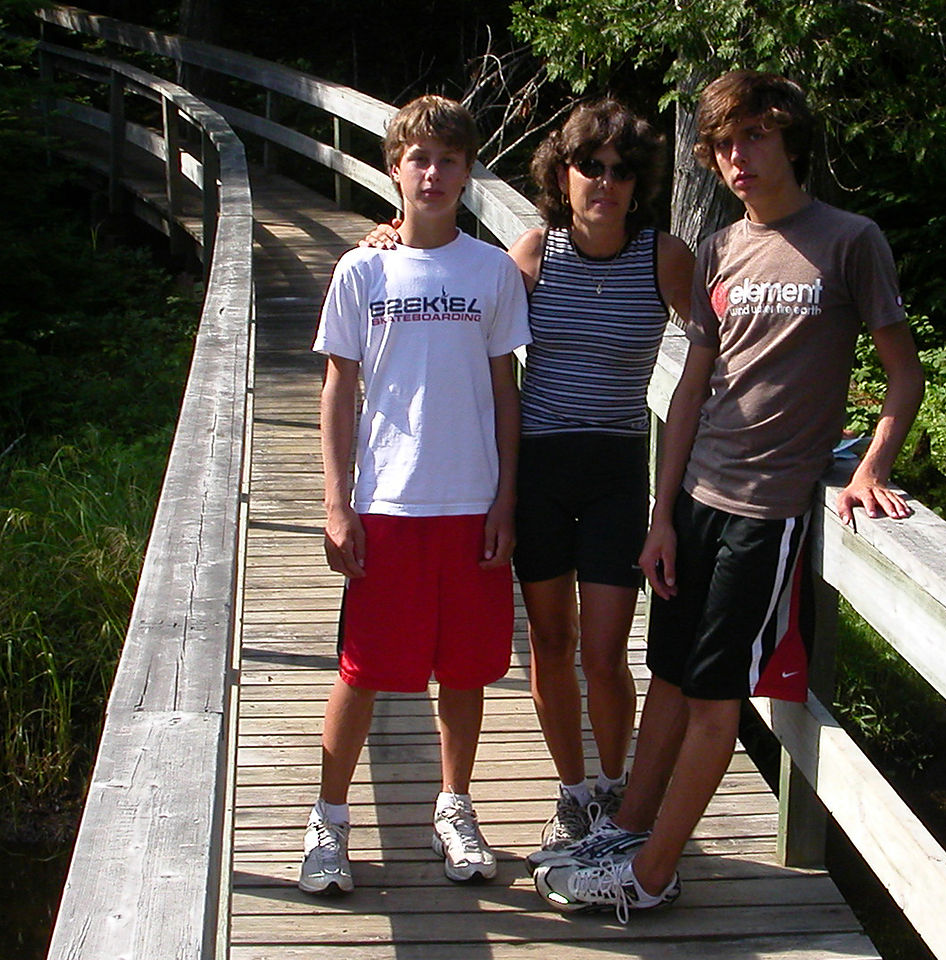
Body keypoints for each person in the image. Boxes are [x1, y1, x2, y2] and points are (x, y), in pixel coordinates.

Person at [532, 69, 925, 920]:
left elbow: (904, 373)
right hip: (698, 496)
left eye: (753, 137)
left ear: (789, 139)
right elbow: (691, 388)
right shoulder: (717, 250)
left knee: (716, 696)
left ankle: (651, 875)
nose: (736, 158)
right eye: (721, 145)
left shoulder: (851, 240)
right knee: (668, 674)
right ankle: (629, 831)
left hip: (769, 508)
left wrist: (872, 467)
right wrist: (661, 514)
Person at [364, 100, 694, 858]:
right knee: (551, 639)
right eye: (591, 168)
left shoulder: (663, 257)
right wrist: (387, 235)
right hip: (539, 469)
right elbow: (454, 284)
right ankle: (573, 792)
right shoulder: (535, 255)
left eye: (621, 171)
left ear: (638, 183)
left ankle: (615, 787)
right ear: (563, 175)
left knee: (606, 651)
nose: (605, 183)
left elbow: (715, 349)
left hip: (615, 470)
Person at [298, 94, 530, 896]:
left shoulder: (491, 270)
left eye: (450, 160)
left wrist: (506, 498)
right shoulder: (363, 268)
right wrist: (336, 502)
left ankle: (455, 805)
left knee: (463, 670)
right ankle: (327, 823)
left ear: (467, 173)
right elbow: (337, 389)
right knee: (361, 670)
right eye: (418, 159)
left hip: (470, 502)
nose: (433, 174)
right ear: (394, 168)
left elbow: (506, 389)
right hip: (387, 503)